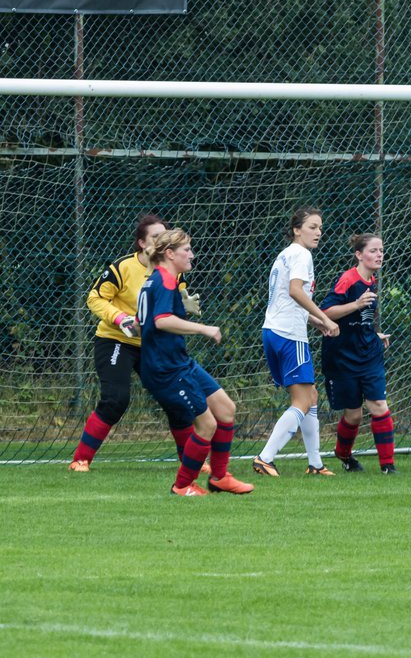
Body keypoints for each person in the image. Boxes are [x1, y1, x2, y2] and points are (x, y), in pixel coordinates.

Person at [71, 215, 206, 472]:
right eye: (156, 236)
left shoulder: (172, 273)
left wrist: (183, 306)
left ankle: (192, 463)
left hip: (153, 346)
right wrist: (120, 317)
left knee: (178, 400)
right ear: (142, 243)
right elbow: (95, 298)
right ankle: (80, 459)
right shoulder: (122, 268)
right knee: (116, 399)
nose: (162, 240)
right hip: (116, 341)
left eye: (164, 235)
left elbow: (168, 313)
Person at [136, 229, 253, 496]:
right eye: (186, 250)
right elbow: (161, 321)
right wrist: (204, 328)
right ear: (169, 254)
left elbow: (143, 324)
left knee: (226, 409)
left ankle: (220, 477)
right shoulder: (164, 281)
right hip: (167, 369)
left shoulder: (157, 281)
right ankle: (183, 485)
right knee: (207, 424)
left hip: (178, 362)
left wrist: (180, 307)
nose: (192, 255)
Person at [253, 207, 340, 477]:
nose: (318, 233)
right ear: (296, 229)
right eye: (312, 227)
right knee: (302, 400)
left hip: (274, 330)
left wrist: (314, 321)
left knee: (310, 396)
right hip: (289, 335)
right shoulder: (301, 254)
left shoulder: (285, 254)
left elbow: (288, 298)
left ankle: (315, 464)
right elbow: (295, 291)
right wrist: (325, 319)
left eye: (320, 228)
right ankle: (265, 458)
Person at [320, 233, 397, 475]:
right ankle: (343, 454)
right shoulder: (348, 280)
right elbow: (325, 313)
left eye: (381, 250)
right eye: (373, 251)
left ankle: (388, 466)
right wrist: (355, 304)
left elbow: (361, 320)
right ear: (359, 255)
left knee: (379, 405)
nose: (379, 255)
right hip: (342, 357)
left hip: (369, 354)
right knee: (353, 415)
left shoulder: (371, 281)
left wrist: (375, 334)